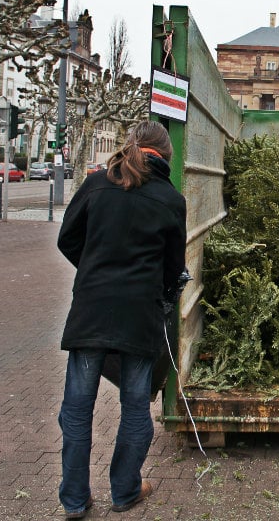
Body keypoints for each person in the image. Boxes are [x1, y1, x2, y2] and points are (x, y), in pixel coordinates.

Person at [56, 121, 187, 518]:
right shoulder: (170, 198)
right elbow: (173, 268)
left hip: (91, 310)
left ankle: (75, 501)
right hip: (139, 314)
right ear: (165, 155)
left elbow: (67, 238)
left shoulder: (97, 184)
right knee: (134, 406)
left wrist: (94, 269)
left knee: (77, 409)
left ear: (131, 146)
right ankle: (125, 490)